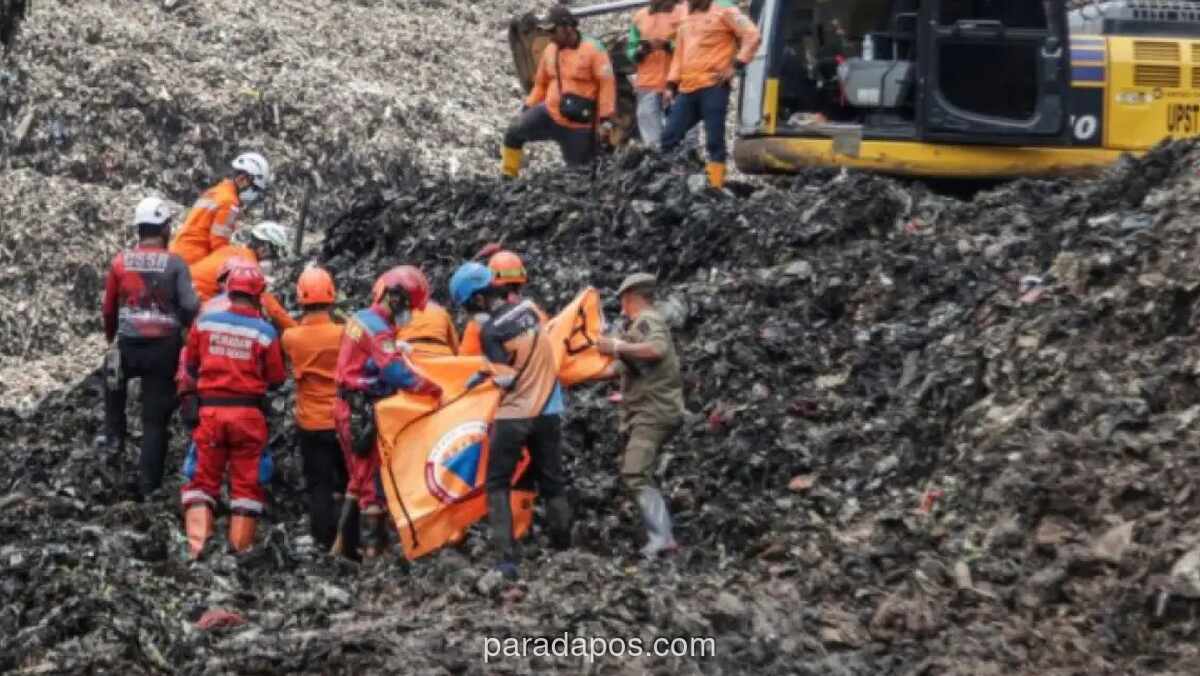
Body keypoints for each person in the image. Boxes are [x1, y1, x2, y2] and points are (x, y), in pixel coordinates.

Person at [450, 262, 572, 580]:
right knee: (552, 482)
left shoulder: (490, 331)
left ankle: (506, 560)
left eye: (466, 306)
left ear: (478, 299)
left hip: (515, 415)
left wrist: (481, 376)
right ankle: (564, 547)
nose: (468, 314)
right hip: (548, 409)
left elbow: (505, 378)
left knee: (497, 483)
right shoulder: (530, 310)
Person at [334, 266, 443, 559]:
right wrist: (432, 387)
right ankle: (373, 556)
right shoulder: (377, 328)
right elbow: (395, 372)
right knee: (371, 485)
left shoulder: (361, 319)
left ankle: (343, 551)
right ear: (395, 298)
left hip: (349, 407)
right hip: (361, 411)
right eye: (408, 306)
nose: (408, 314)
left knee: (357, 479)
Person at [178, 265, 287, 559]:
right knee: (246, 484)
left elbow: (190, 365)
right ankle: (239, 551)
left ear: (229, 289)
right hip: (248, 417)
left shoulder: (205, 323)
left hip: (211, 414)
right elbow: (277, 378)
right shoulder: (265, 332)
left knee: (202, 480)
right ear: (258, 295)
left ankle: (196, 548)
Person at [101, 197, 200, 498]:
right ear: (166, 228)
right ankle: (148, 489)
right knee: (154, 422)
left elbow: (108, 309)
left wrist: (112, 339)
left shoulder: (120, 261)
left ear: (139, 229)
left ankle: (113, 444)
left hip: (128, 345)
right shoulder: (175, 263)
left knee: (112, 395)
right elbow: (191, 305)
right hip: (163, 349)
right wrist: (181, 326)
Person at [597, 273, 685, 557]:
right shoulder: (637, 327)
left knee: (635, 472)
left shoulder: (648, 320)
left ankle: (662, 538)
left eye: (623, 300)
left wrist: (618, 346)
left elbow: (656, 349)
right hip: (645, 411)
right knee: (636, 471)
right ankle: (658, 535)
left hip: (653, 412)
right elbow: (615, 370)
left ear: (631, 297)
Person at [500, 5, 617, 177]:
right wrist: (528, 106)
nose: (550, 36)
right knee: (513, 132)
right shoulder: (550, 50)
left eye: (553, 31)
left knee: (579, 174)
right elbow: (541, 83)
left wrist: (605, 120)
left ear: (568, 28)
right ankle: (507, 177)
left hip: (579, 125)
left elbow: (607, 85)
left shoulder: (594, 50)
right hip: (550, 113)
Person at [281, 266, 348, 549]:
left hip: (310, 423)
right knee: (348, 483)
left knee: (318, 484)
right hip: (342, 420)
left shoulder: (291, 338)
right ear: (332, 296)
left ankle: (323, 540)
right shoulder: (345, 333)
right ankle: (350, 539)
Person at [662, 0, 762, 189]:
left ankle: (716, 187)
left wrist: (736, 65)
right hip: (687, 88)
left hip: (713, 86)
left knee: (714, 141)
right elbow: (680, 53)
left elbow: (752, 35)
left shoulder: (724, 8)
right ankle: (671, 184)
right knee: (669, 136)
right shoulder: (685, 12)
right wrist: (671, 84)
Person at [189, 221, 296, 331]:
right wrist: (294, 327)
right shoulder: (248, 266)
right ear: (264, 248)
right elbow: (270, 305)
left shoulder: (229, 249)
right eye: (273, 254)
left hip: (188, 291)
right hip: (199, 301)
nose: (270, 260)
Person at [170, 152, 271, 265]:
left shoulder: (215, 192)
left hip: (177, 251)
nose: (254, 194)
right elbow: (219, 245)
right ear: (242, 179)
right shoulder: (229, 202)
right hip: (192, 259)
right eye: (254, 189)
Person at [459, 250, 547, 357]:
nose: (511, 297)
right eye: (506, 290)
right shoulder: (535, 312)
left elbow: (464, 363)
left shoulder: (478, 327)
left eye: (514, 288)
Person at [627, 0, 688, 148]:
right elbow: (631, 48)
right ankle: (657, 162)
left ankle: (685, 162)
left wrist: (668, 45)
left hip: (678, 81)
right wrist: (641, 51)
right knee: (651, 137)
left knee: (684, 131)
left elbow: (690, 44)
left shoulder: (682, 13)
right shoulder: (640, 16)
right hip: (647, 83)